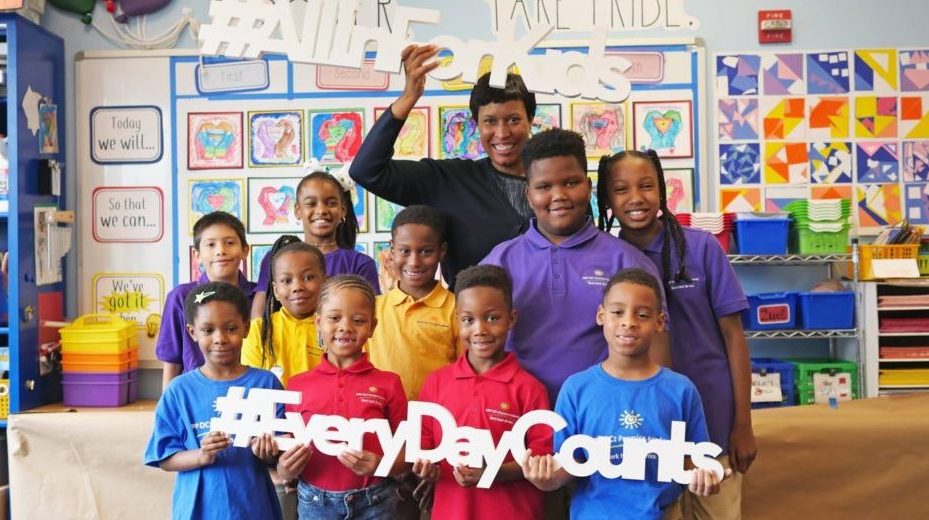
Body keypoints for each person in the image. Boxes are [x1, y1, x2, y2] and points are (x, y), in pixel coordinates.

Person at [596, 149, 757, 518]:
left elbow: (734, 337)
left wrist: (743, 424)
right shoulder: (607, 257)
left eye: (646, 186)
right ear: (606, 199)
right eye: (621, 189)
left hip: (713, 422)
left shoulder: (700, 248)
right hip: (645, 432)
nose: (635, 198)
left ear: (663, 191)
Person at [522, 269, 728, 520]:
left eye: (642, 315)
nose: (629, 322)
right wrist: (546, 480)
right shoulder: (576, 389)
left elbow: (694, 462)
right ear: (601, 315)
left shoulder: (681, 390)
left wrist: (704, 478)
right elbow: (567, 467)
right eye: (617, 312)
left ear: (660, 322)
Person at [480, 128, 667, 402]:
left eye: (570, 182)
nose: (559, 196)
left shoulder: (627, 261)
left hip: (605, 413)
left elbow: (658, 353)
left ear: (588, 186)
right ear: (529, 194)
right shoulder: (500, 262)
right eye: (544, 187)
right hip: (517, 415)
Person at [350, 44, 537, 288]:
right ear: (476, 125)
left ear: (531, 120)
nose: (502, 133)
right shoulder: (449, 180)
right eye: (490, 121)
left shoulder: (556, 187)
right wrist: (409, 97)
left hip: (547, 323)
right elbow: (366, 170)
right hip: (471, 323)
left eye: (514, 120)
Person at [413, 265, 551, 520]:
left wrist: (493, 471)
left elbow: (542, 458)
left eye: (492, 318)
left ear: (511, 319)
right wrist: (426, 468)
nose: (480, 330)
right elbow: (423, 447)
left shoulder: (529, 389)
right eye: (468, 320)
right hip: (450, 512)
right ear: (457, 322)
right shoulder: (436, 383)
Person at [144, 282, 283, 520]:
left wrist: (268, 453)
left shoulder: (266, 383)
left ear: (246, 328)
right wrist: (202, 455)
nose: (220, 338)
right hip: (198, 510)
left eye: (230, 328)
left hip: (254, 507)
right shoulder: (179, 390)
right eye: (208, 330)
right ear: (192, 332)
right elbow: (165, 457)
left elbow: (280, 453)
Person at [276, 275, 411, 519]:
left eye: (358, 320)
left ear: (372, 327)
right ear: (318, 322)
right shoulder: (298, 385)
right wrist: (285, 468)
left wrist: (382, 464)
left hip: (376, 501)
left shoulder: (389, 383)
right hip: (315, 502)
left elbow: (406, 453)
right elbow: (289, 451)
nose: (345, 327)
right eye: (334, 318)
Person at [252, 160, 379, 318]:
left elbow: (370, 316)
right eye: (311, 203)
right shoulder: (276, 258)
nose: (321, 210)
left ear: (343, 210)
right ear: (298, 211)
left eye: (331, 203)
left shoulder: (360, 264)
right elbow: (259, 315)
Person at [367, 205, 458, 400]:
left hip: (436, 420)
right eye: (404, 251)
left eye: (426, 251)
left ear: (442, 251)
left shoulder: (457, 309)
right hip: (380, 421)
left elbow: (465, 371)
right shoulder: (372, 308)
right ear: (392, 250)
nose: (414, 262)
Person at [156, 211, 256, 389]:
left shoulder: (259, 297)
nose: (220, 251)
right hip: (195, 397)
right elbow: (171, 363)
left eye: (230, 243)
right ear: (197, 255)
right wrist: (167, 409)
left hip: (250, 396)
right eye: (211, 244)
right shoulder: (180, 297)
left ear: (245, 250)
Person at [242, 235, 326, 386]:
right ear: (275, 290)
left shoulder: (337, 328)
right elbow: (252, 386)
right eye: (286, 281)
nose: (297, 287)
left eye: (308, 277)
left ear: (325, 281)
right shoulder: (259, 331)